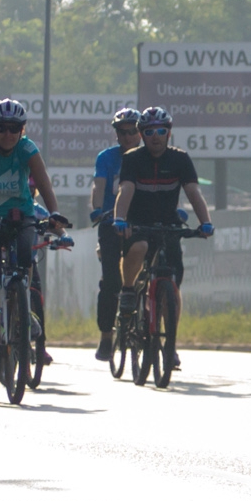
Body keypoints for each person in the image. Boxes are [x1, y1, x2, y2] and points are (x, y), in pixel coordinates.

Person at [0, 99, 70, 363]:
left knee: (25, 254)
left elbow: (44, 183)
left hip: (19, 215)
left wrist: (54, 213)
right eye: (0, 128)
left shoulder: (27, 148)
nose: (7, 134)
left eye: (14, 128)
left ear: (22, 129)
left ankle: (23, 309)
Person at [109, 106, 213, 372]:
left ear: (169, 132)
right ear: (142, 135)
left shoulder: (180, 159)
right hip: (137, 222)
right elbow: (125, 190)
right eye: (149, 132)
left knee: (172, 287)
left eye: (160, 131)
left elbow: (193, 192)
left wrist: (205, 223)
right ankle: (129, 291)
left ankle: (170, 346)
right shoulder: (133, 158)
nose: (155, 136)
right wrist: (120, 219)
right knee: (140, 246)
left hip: (169, 224)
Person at [89, 107, 142, 362]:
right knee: (111, 281)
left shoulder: (149, 156)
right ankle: (106, 336)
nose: (128, 137)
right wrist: (97, 210)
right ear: (117, 134)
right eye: (123, 132)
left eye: (133, 132)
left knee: (155, 271)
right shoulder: (107, 158)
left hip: (141, 221)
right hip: (112, 221)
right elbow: (99, 186)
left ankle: (157, 332)